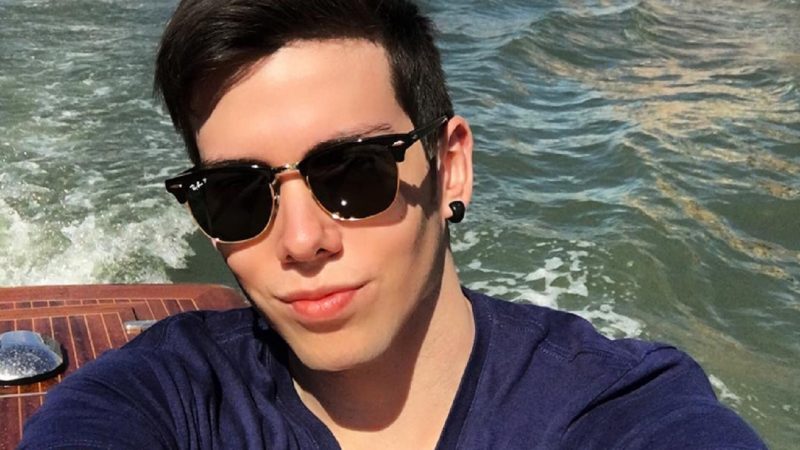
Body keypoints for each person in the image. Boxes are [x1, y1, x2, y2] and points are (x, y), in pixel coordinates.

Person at [20, 0, 765, 448]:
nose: (302, 241)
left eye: (352, 172)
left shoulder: (613, 409)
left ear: (451, 167)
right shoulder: (164, 398)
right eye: (237, 194)